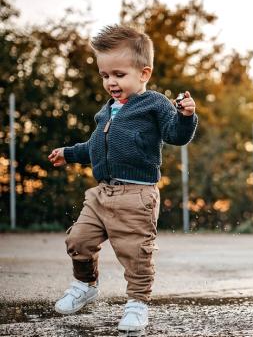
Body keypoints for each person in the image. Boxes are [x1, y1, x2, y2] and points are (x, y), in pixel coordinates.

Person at [48, 25, 198, 334]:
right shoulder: (107, 111)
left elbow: (175, 135)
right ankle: (86, 285)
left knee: (135, 253)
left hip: (136, 195)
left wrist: (186, 117)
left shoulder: (154, 103)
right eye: (105, 76)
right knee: (78, 240)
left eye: (118, 74)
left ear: (144, 73)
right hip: (101, 194)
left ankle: (137, 303)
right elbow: (94, 147)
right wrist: (68, 153)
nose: (111, 82)